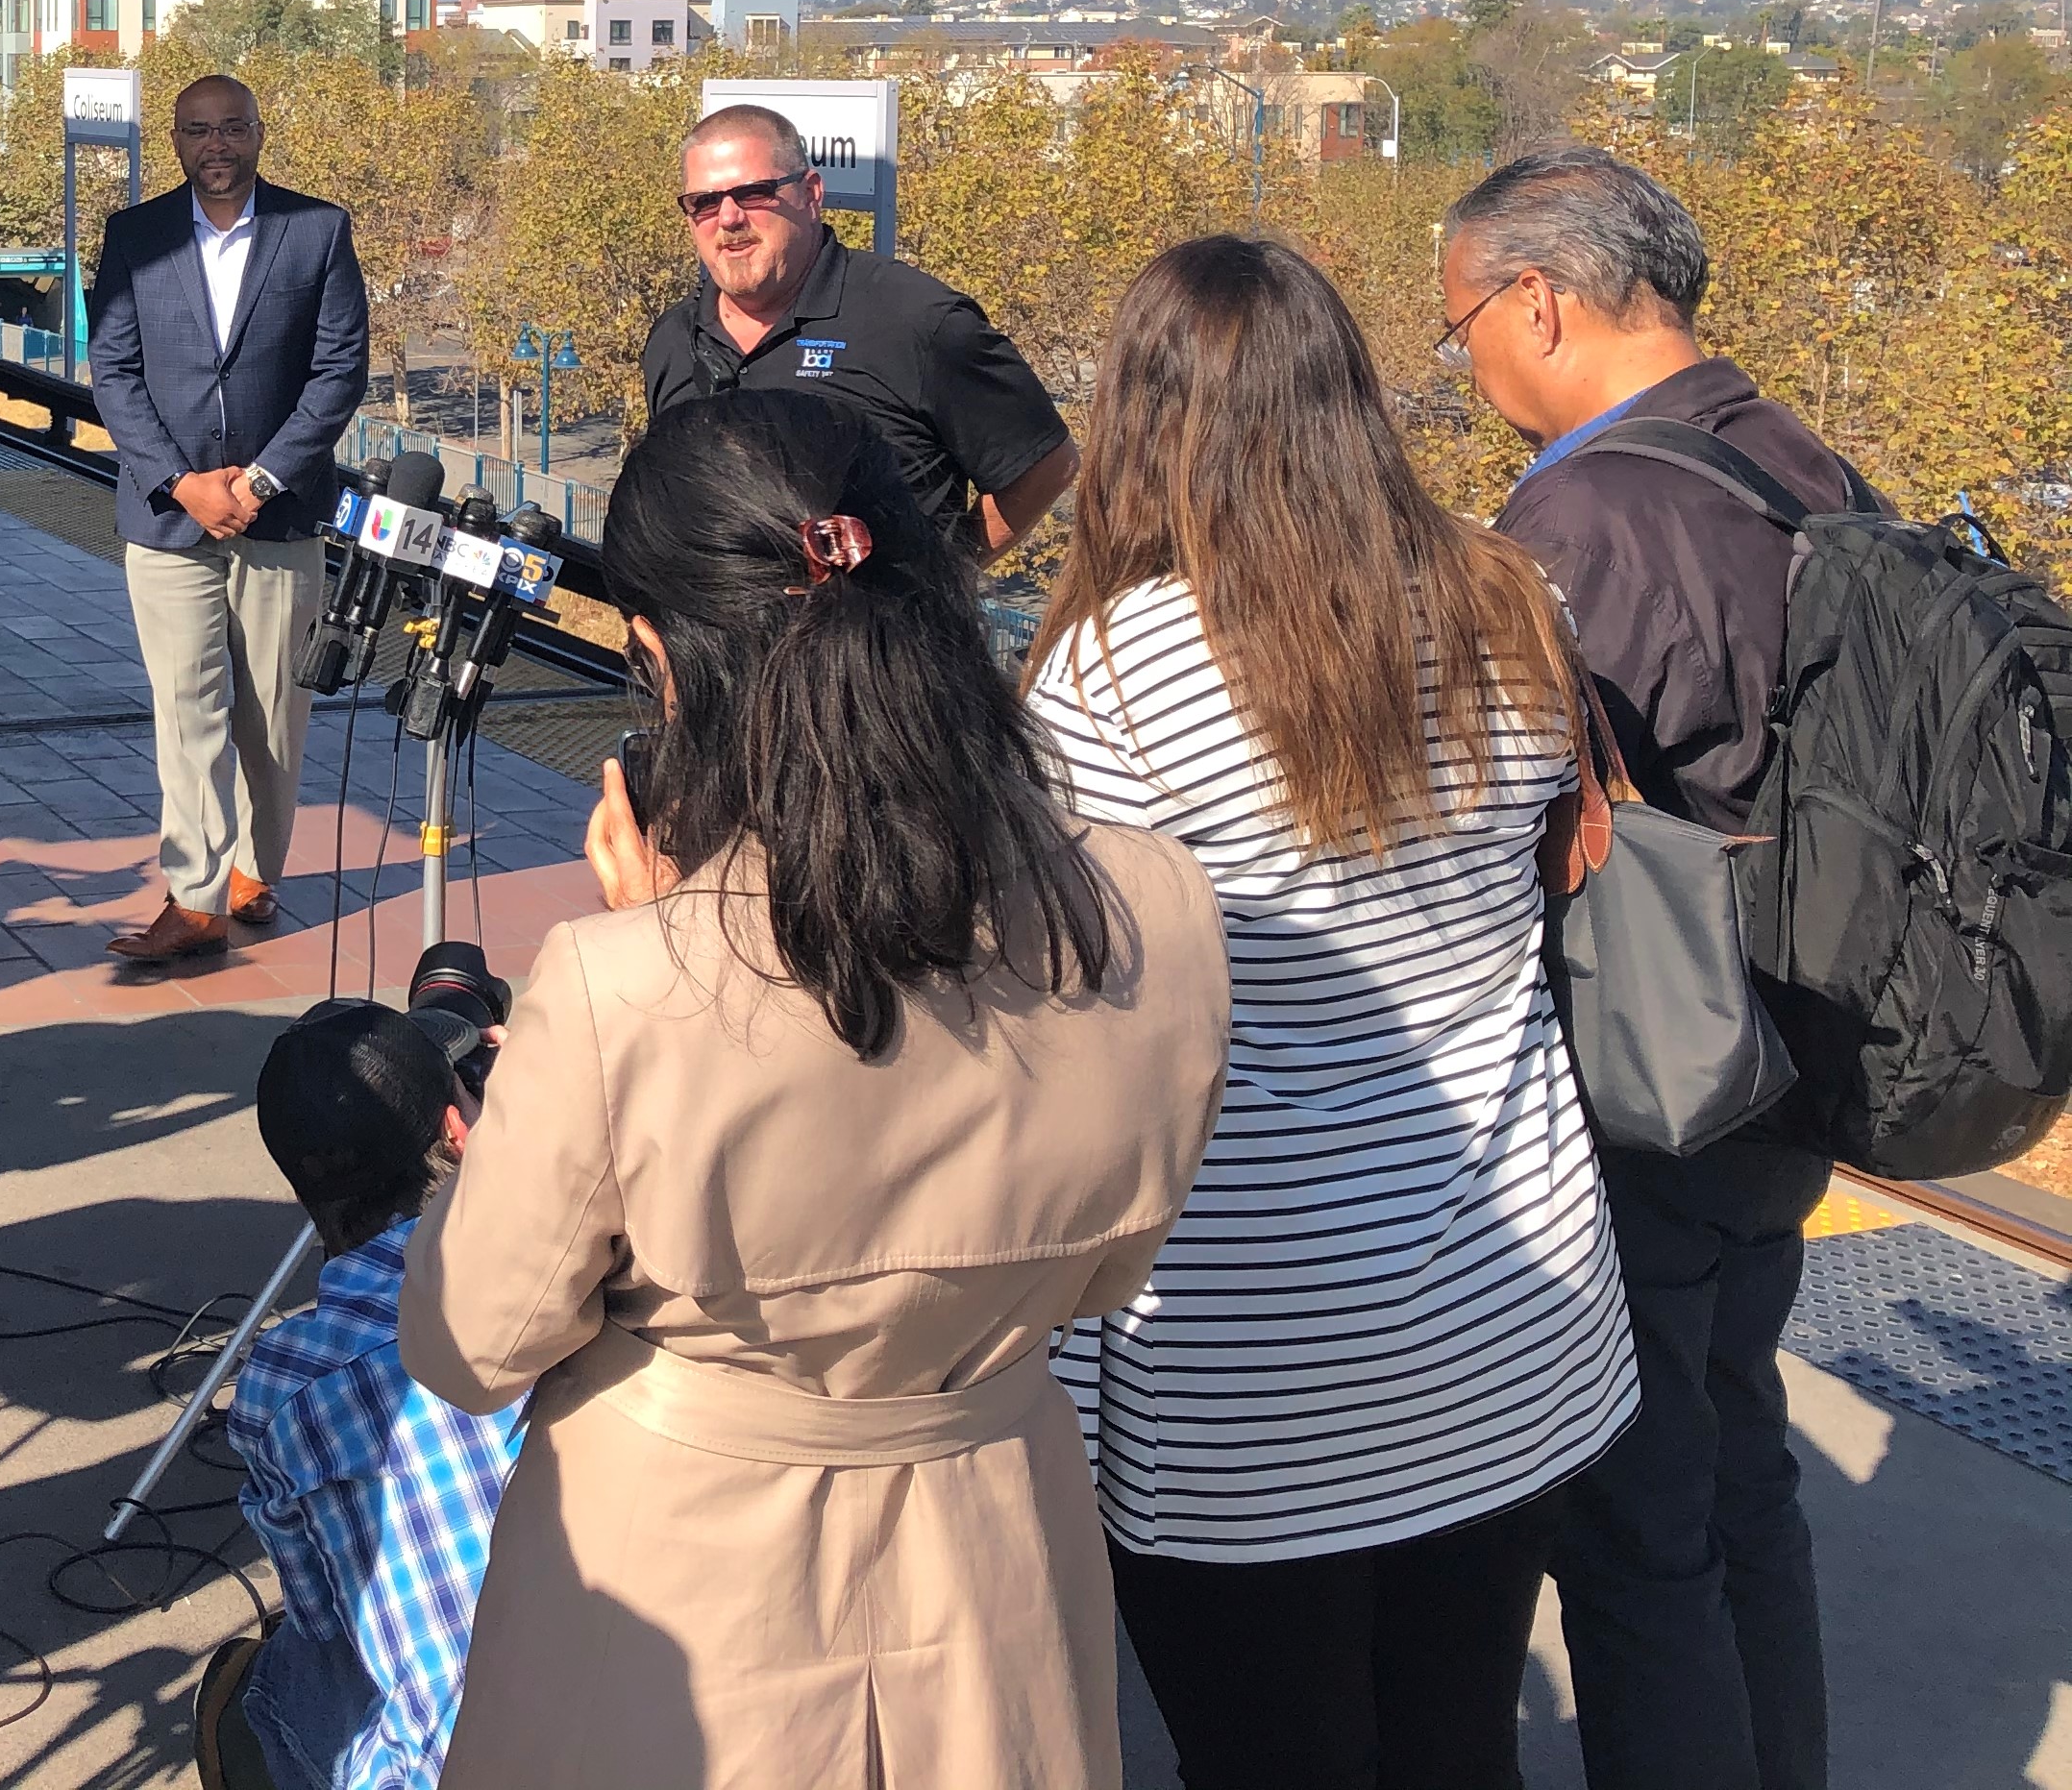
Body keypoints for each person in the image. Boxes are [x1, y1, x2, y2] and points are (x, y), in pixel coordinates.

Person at [400, 389, 1228, 1790]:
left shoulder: (621, 987)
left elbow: (471, 1346)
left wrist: (655, 939)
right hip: (997, 1551)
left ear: (664, 661)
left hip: (677, 1597)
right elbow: (1105, 1269)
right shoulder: (1151, 911)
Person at [1024, 236, 1636, 1790]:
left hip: (1250, 1359)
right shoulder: (1513, 597)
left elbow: (1081, 1013)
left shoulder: (1105, 673)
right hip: (1515, 1312)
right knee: (1453, 1742)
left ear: (1140, 417)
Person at [1440, 146, 1858, 1790]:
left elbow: (1505, 816)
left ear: (1536, 297)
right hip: (1788, 1053)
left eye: (1459, 318)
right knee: (1740, 1476)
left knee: (1633, 1534)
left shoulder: (1581, 516)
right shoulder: (1794, 455)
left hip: (1647, 1078)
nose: (1461, 358)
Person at [205, 1000, 525, 1790]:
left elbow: (320, 1617)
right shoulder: (557, 1293)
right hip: (665, 1729)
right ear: (458, 1130)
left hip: (462, 1767)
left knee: (277, 1675)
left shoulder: (281, 1383)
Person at [86, 74, 368, 965]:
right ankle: (195, 892)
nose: (218, 144)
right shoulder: (134, 236)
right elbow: (114, 372)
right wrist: (180, 482)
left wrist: (261, 480)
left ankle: (254, 867)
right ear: (175, 140)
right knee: (187, 708)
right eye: (199, 130)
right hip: (167, 519)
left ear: (258, 133)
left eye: (233, 128)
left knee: (272, 712)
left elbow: (339, 371)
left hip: (279, 518)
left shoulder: (315, 231)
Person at [638, 104, 1073, 555]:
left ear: (811, 194)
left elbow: (1046, 465)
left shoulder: (917, 321)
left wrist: (944, 580)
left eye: (754, 193)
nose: (728, 218)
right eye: (704, 202)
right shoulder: (673, 339)